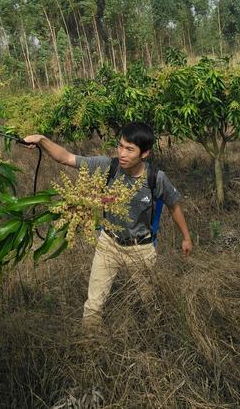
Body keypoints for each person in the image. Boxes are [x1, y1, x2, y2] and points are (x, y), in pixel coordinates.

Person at [24, 121, 192, 327]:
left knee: (150, 303)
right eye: (120, 146)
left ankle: (156, 338)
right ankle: (90, 346)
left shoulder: (156, 178)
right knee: (93, 306)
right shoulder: (108, 166)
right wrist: (42, 140)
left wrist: (186, 238)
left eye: (130, 149)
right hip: (108, 244)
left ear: (145, 153)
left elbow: (174, 205)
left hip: (141, 248)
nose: (122, 153)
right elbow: (66, 158)